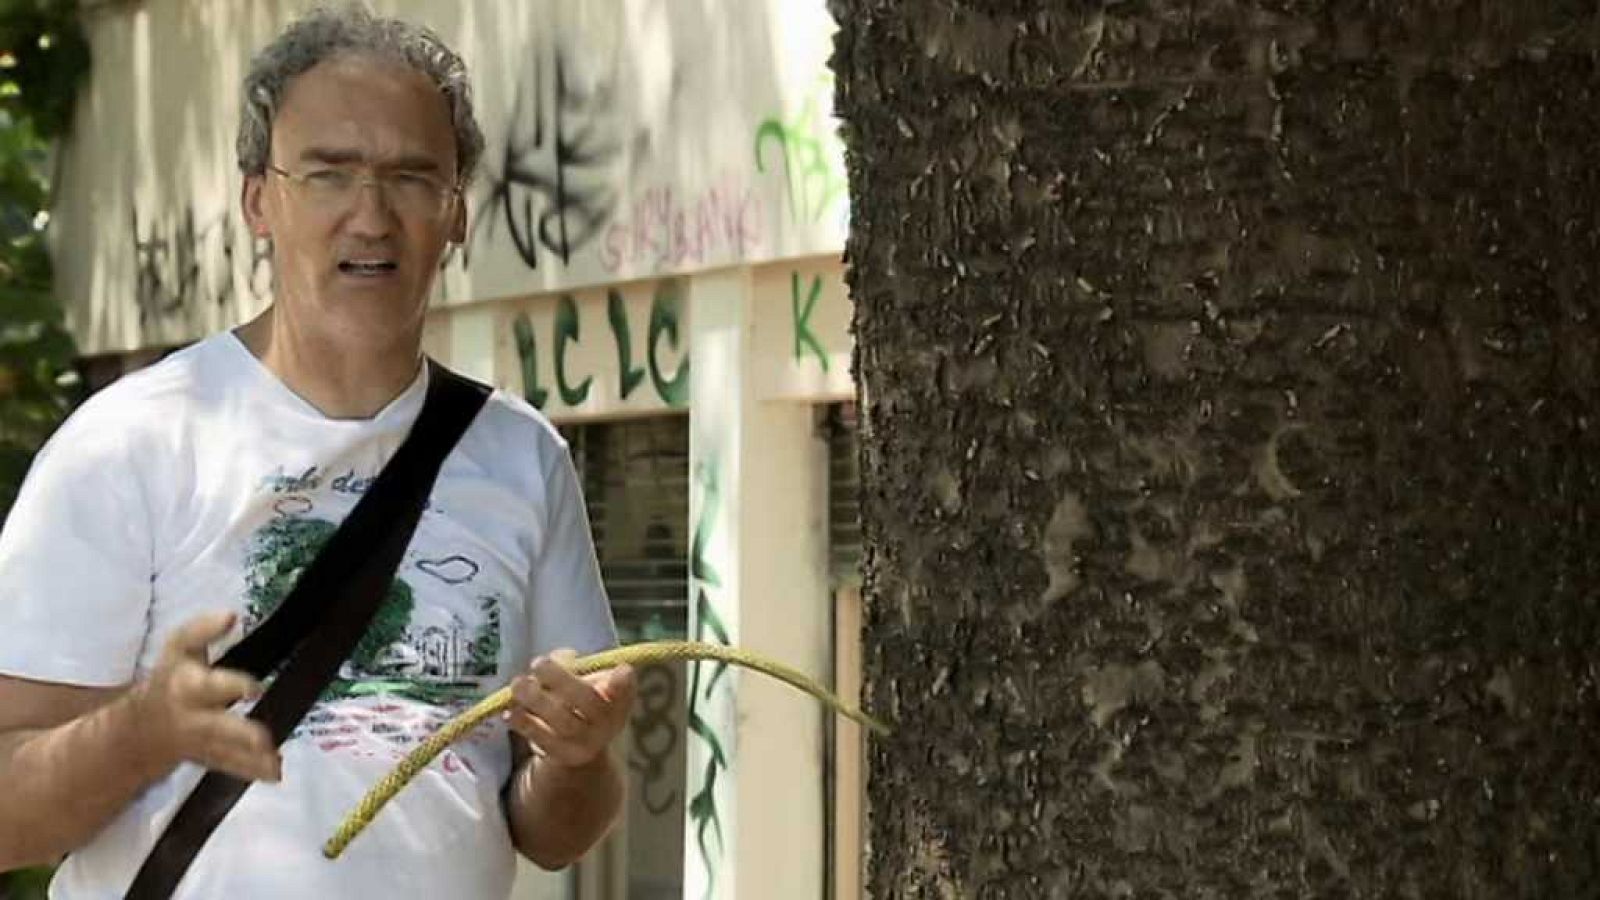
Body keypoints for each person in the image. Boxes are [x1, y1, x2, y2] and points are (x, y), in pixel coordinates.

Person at [0, 6, 636, 897]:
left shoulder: (522, 458)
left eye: (413, 178)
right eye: (330, 175)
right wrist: (142, 730)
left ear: (456, 214)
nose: (370, 216)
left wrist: (575, 760)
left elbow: (555, 832)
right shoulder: (132, 441)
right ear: (261, 199)